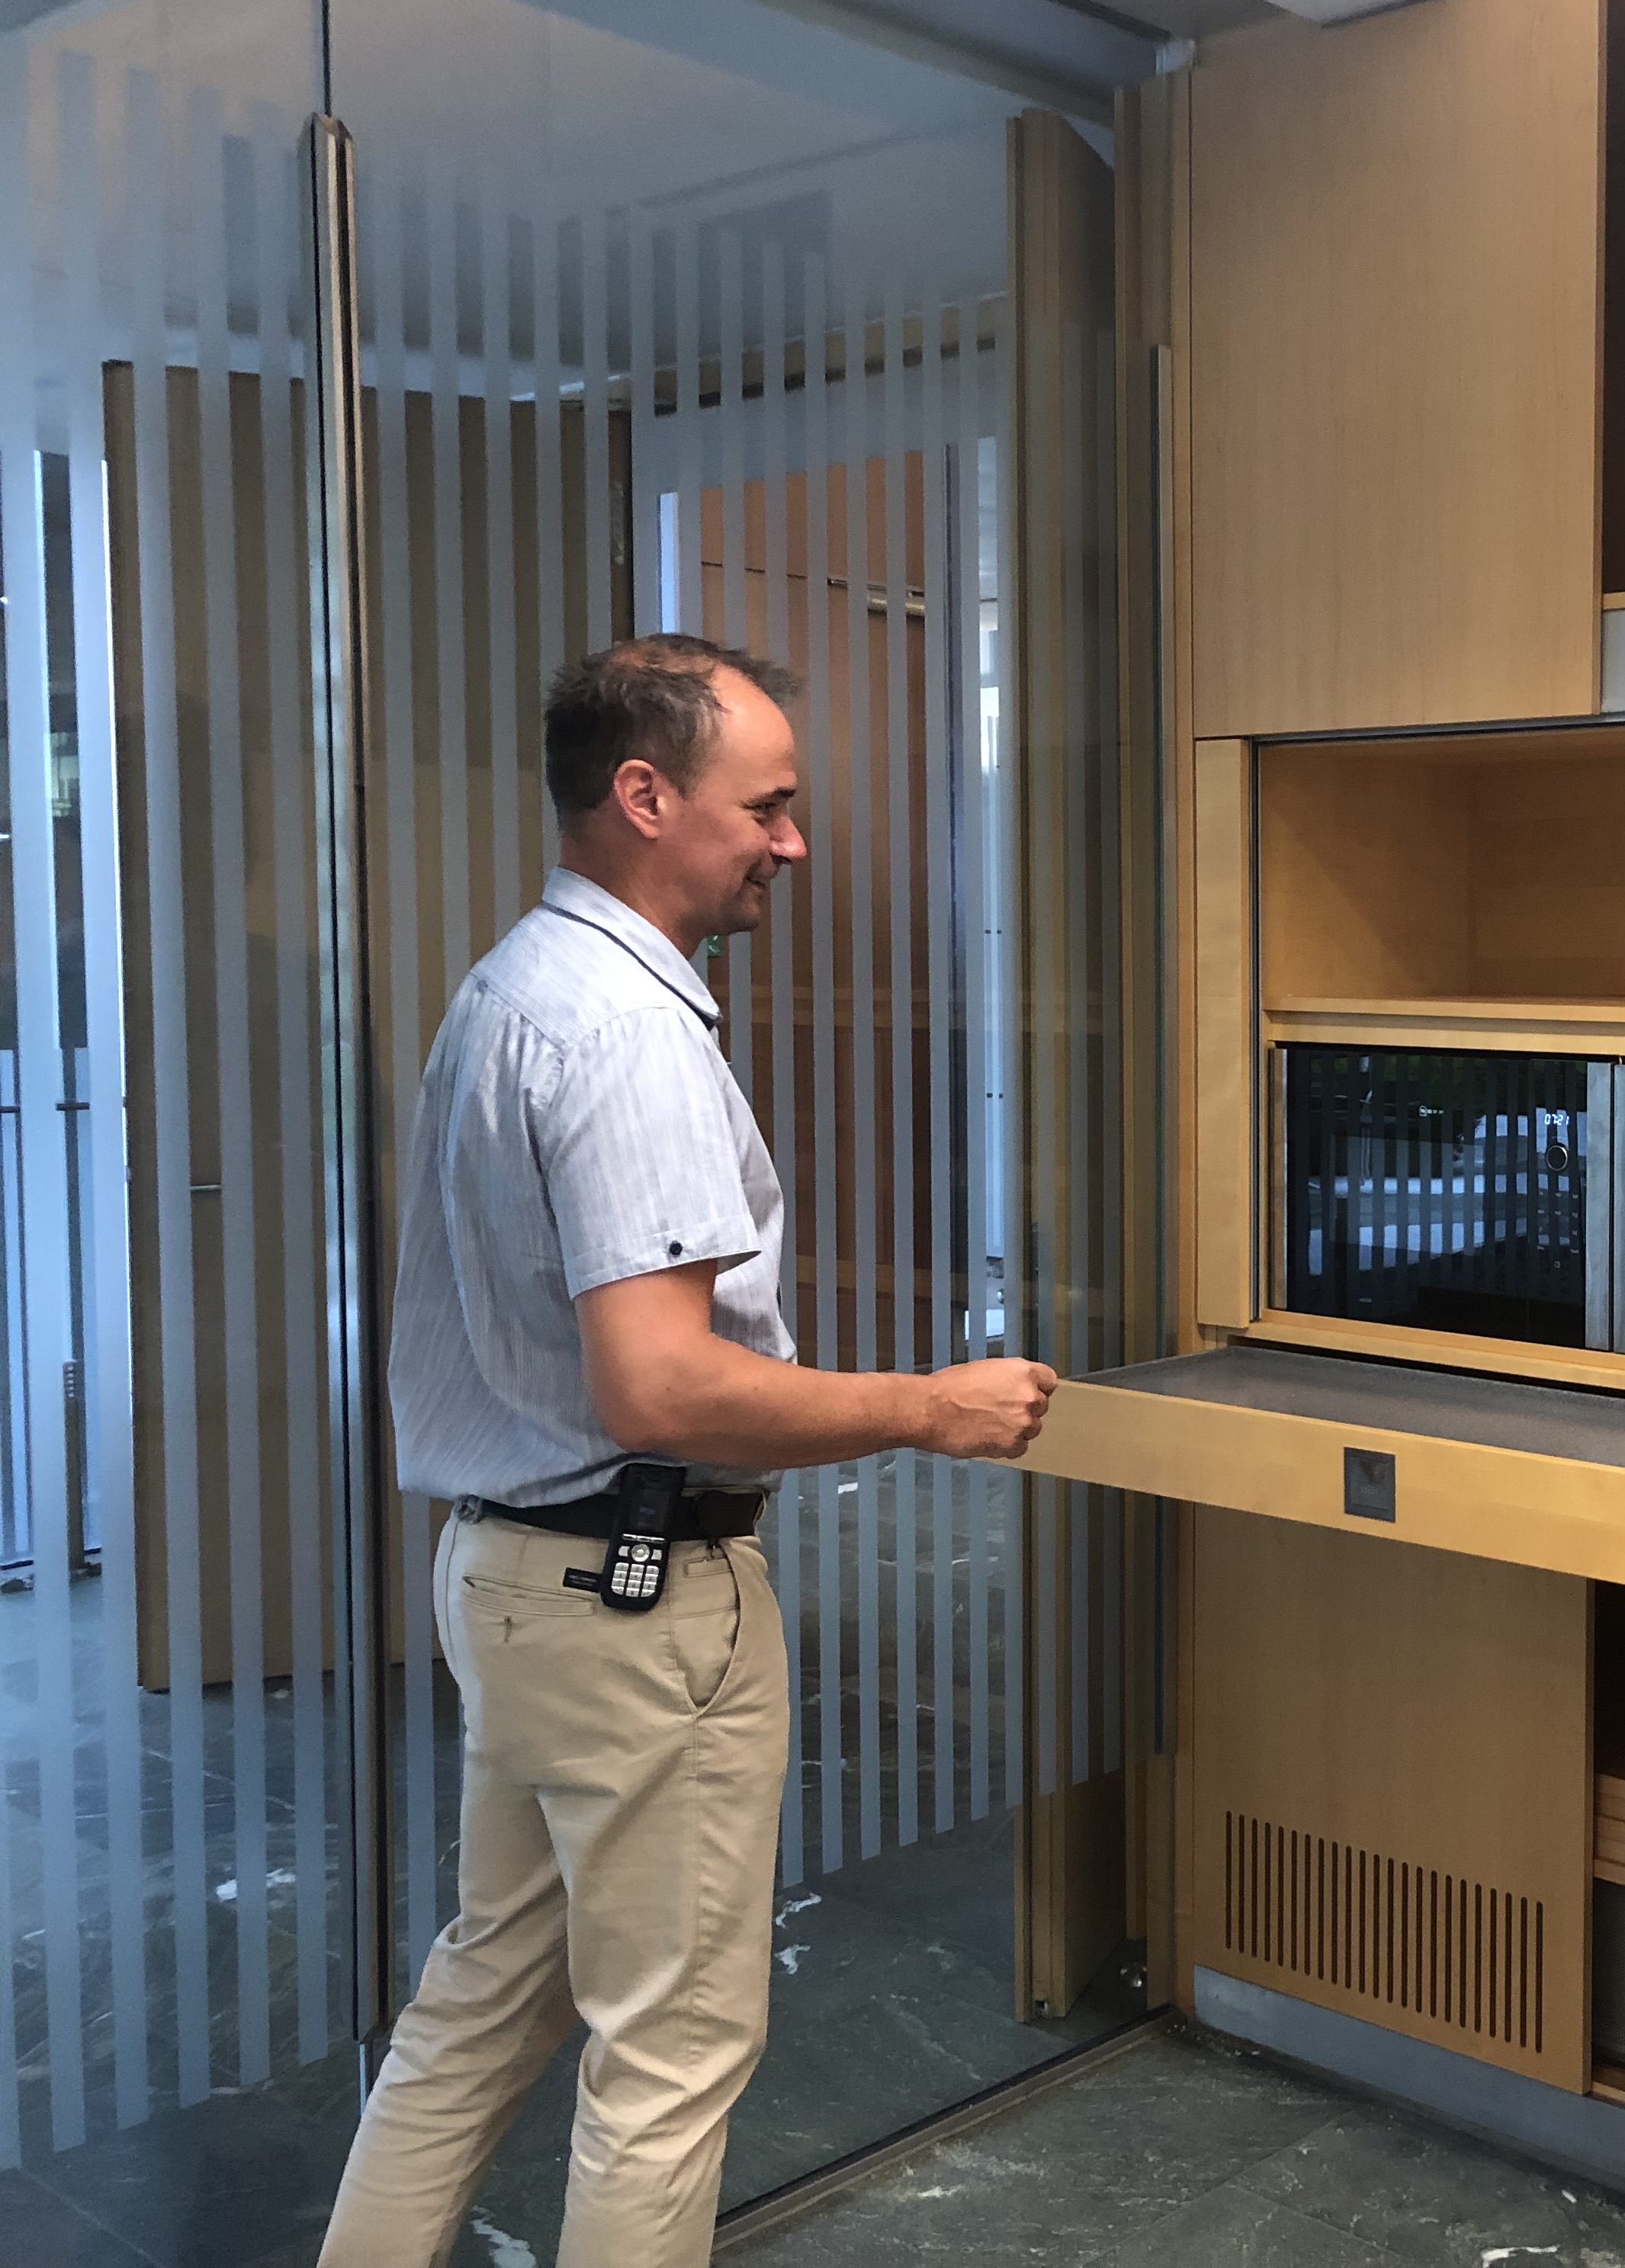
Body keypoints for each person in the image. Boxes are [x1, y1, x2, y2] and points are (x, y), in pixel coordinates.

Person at [317, 635, 1058, 2268]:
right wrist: (931, 1408)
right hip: (634, 1604)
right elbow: (658, 1387)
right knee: (670, 2055)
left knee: (488, 1997)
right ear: (645, 795)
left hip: (516, 1581)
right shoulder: (627, 1033)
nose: (794, 842)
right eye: (767, 807)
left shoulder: (512, 988)